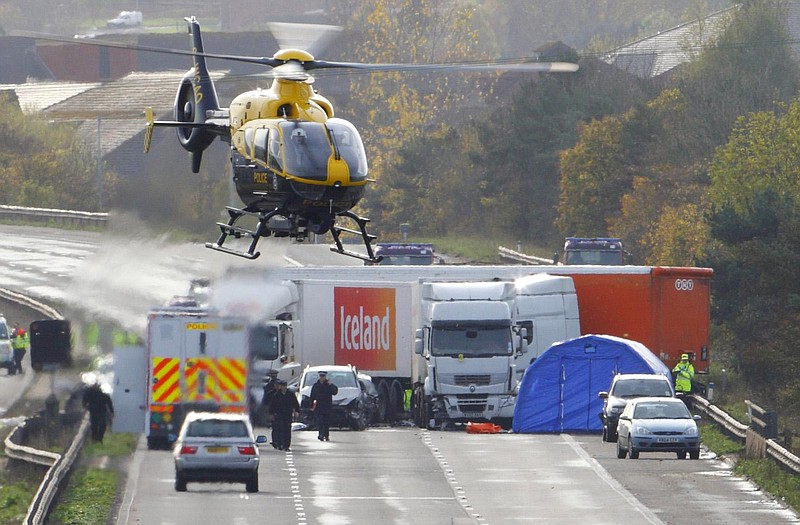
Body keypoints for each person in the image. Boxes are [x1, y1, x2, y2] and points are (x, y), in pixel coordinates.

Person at [268, 379, 300, 451]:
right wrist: (271, 414)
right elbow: (272, 405)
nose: (283, 387)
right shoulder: (276, 395)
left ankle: (287, 445)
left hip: (288, 414)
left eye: (285, 386)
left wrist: (297, 411)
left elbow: (295, 403)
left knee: (287, 430)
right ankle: (280, 444)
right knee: (280, 429)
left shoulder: (290, 394)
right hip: (279, 414)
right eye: (282, 386)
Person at [309, 370, 338, 441]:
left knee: (326, 422)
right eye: (321, 376)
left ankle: (326, 435)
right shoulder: (316, 385)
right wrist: (311, 406)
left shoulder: (329, 385)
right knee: (320, 421)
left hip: (327, 406)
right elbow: (312, 396)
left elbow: (335, 392)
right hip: (319, 407)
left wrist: (330, 384)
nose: (322, 378)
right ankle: (321, 434)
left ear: (325, 377)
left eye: (323, 376)